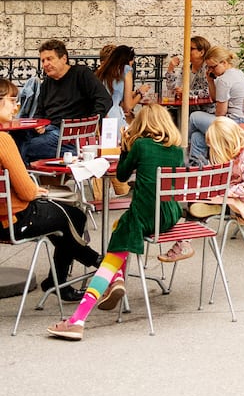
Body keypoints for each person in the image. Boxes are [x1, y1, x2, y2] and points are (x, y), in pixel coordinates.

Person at [46, 103, 185, 340]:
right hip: (168, 215)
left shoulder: (140, 145)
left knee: (111, 258)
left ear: (142, 125)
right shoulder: (176, 150)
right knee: (118, 226)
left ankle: (78, 319)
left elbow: (121, 176)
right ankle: (118, 280)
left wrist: (125, 148)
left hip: (143, 217)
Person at [0, 78, 101, 302]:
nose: (16, 106)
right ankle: (96, 265)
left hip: (8, 218)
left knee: (62, 218)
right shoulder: (4, 140)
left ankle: (67, 276)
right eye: (11, 100)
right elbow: (26, 192)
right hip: (14, 221)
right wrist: (36, 191)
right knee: (73, 215)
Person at [18, 40, 113, 166]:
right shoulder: (47, 83)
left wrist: (91, 123)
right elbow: (39, 111)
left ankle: (20, 177)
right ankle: (25, 172)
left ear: (63, 58)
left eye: (49, 59)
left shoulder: (81, 74)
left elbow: (104, 99)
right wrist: (39, 124)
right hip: (48, 130)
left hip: (70, 134)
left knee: (26, 147)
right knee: (13, 137)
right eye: (43, 60)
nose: (45, 64)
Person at [187, 46, 244, 166]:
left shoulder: (224, 80)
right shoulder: (237, 73)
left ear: (224, 62)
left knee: (194, 117)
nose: (211, 70)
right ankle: (196, 168)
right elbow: (214, 98)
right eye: (208, 67)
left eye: (213, 67)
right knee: (197, 137)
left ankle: (182, 149)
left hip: (234, 124)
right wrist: (210, 81)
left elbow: (220, 114)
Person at [202, 118, 244, 224]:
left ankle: (215, 209)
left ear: (225, 144)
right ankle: (210, 208)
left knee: (200, 205)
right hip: (232, 195)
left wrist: (223, 192)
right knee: (198, 202)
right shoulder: (233, 153)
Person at [95, 44, 149, 131]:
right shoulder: (126, 70)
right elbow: (128, 106)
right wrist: (140, 93)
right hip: (114, 115)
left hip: (99, 116)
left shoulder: (102, 71)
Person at [166, 35, 213, 103]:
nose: (186, 51)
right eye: (185, 48)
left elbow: (209, 92)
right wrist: (171, 69)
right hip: (187, 107)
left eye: (190, 48)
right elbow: (172, 88)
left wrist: (186, 93)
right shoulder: (186, 68)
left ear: (201, 52)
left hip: (204, 109)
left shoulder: (209, 68)